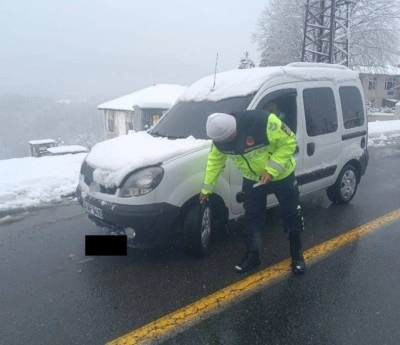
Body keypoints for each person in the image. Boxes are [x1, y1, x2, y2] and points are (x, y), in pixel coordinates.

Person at [199, 110, 306, 274]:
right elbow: (214, 162)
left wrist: (271, 171)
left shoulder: (263, 122)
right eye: (225, 140)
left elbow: (290, 142)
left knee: (291, 212)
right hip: (252, 177)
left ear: (234, 127)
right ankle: (253, 255)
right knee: (252, 217)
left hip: (282, 173)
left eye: (231, 137)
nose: (229, 142)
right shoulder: (219, 140)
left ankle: (297, 254)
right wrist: (207, 189)